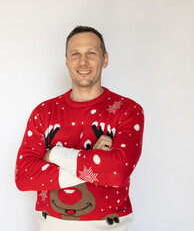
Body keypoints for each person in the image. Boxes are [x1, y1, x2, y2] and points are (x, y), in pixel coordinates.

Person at [15, 25, 144, 231]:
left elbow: (117, 173)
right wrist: (94, 157)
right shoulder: (43, 112)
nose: (83, 62)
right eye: (75, 54)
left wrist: (52, 154)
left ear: (105, 59)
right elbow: (24, 177)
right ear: (67, 61)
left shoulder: (127, 110)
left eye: (91, 53)